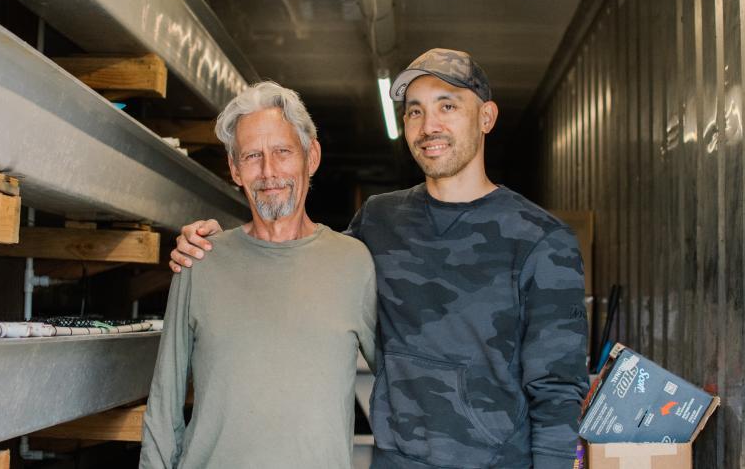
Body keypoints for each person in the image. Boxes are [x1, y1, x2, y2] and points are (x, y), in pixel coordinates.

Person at [170, 49, 589, 469]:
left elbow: (557, 391)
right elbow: (299, 261)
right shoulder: (379, 220)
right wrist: (215, 245)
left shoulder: (541, 240)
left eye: (447, 106)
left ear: (486, 117)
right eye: (415, 111)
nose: (429, 126)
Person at [140, 81, 377, 469]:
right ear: (235, 169)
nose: (269, 171)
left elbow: (400, 380)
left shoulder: (354, 264)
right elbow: (165, 404)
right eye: (252, 156)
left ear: (311, 157)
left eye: (283, 151)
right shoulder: (200, 261)